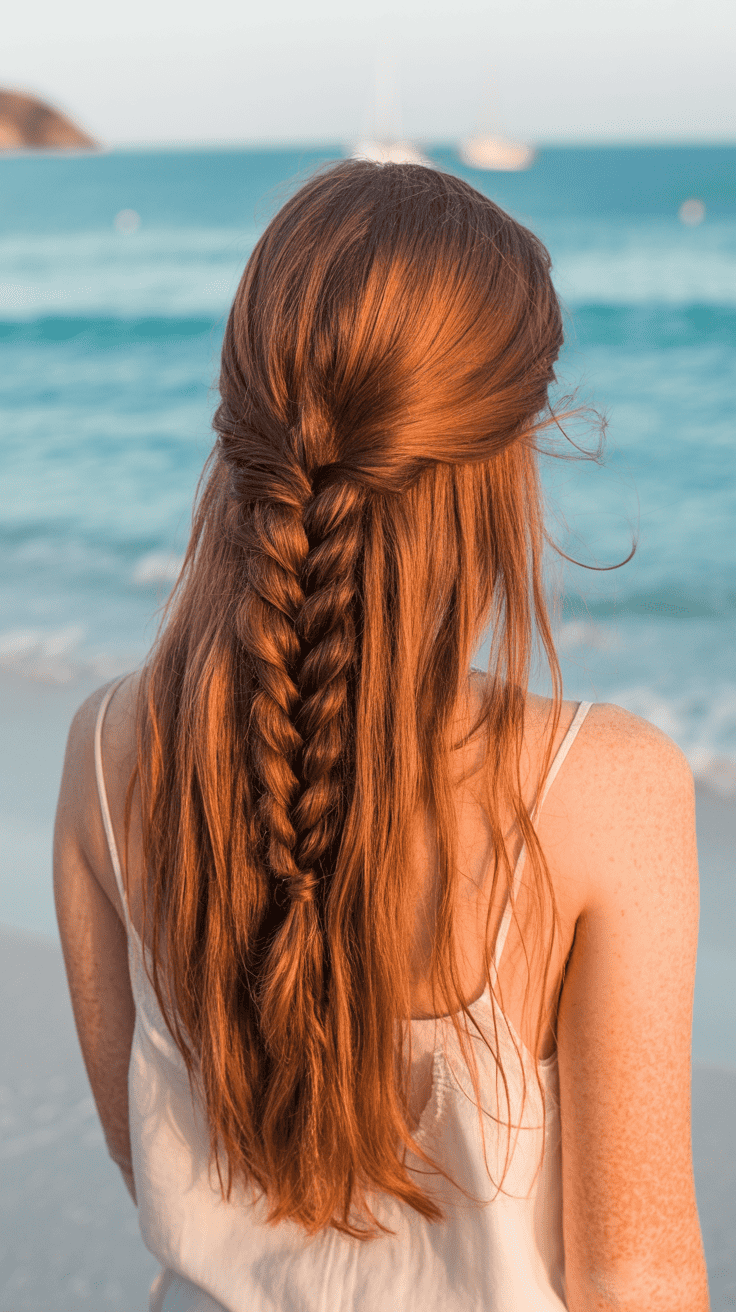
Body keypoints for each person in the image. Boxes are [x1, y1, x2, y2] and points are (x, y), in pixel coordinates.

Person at [53, 159, 709, 1312]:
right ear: (507, 454)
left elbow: (138, 1154)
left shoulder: (105, 755)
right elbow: (632, 1276)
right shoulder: (602, 793)